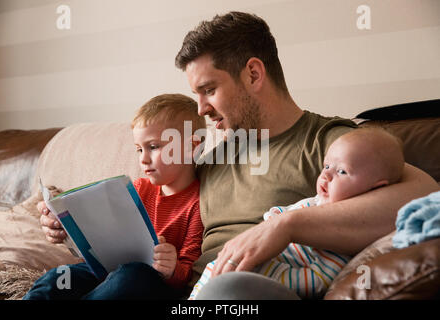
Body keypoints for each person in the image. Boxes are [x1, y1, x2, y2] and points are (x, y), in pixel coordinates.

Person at [173, 11, 438, 299]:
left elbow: (424, 196)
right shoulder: (213, 157)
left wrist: (286, 225)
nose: (200, 109)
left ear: (253, 74)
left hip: (253, 289)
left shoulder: (332, 143)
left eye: (209, 90)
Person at [24, 94, 206, 299]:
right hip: (105, 271)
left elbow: (190, 273)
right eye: (139, 149)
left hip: (147, 282)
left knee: (132, 276)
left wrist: (173, 269)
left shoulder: (199, 202)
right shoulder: (138, 188)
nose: (143, 159)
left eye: (153, 147)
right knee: (58, 277)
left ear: (192, 147)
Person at [189, 128, 405, 299]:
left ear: (376, 188)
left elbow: (318, 279)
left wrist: (268, 269)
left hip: (260, 281)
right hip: (221, 271)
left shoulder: (343, 235)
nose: (326, 176)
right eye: (326, 166)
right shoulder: (316, 201)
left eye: (341, 171)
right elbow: (281, 215)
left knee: (226, 285)